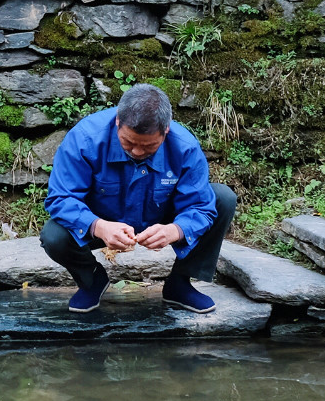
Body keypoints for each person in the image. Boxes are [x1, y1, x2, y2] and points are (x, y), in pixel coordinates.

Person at [42, 83, 237, 314]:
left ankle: (180, 284)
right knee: (54, 235)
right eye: (128, 142)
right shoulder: (85, 139)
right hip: (102, 220)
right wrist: (98, 226)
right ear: (117, 122)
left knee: (222, 198)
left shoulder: (185, 147)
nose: (136, 151)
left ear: (166, 131)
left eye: (149, 147)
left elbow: (201, 206)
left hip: (160, 216)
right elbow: (60, 198)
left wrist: (177, 230)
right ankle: (91, 280)